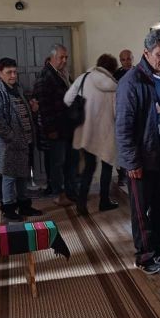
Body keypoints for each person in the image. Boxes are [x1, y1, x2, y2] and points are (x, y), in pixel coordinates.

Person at [116, 29, 160, 274]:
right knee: (141, 210)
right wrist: (131, 162)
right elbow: (123, 126)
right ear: (146, 53)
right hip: (142, 159)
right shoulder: (131, 82)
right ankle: (144, 254)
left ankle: (159, 248)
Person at [0, 57, 43, 221]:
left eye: (15, 72)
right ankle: (8, 208)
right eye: (9, 72)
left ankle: (24, 205)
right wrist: (12, 137)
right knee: (9, 176)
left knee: (23, 174)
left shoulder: (16, 88)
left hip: (23, 141)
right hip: (7, 143)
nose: (13, 75)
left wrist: (32, 111)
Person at [64, 53, 119, 216]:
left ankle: (81, 203)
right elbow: (117, 112)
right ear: (112, 69)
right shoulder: (114, 86)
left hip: (85, 129)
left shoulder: (83, 78)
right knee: (107, 165)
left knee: (89, 166)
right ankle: (104, 201)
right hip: (106, 131)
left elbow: (67, 99)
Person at [33, 43, 78, 206]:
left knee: (70, 161)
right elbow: (44, 106)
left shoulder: (63, 74)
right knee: (57, 163)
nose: (65, 60)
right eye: (61, 57)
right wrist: (50, 129)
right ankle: (58, 194)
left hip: (68, 127)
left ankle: (71, 192)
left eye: (66, 57)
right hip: (56, 128)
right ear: (52, 57)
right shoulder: (45, 76)